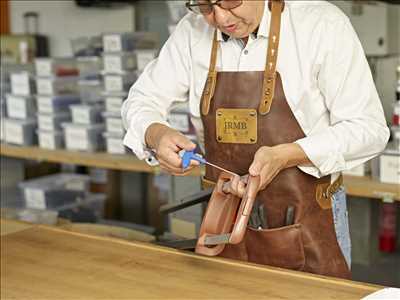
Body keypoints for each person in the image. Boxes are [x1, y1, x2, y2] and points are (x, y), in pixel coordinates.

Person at [121, 0, 389, 278]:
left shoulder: (320, 24)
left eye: (229, 1)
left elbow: (369, 129)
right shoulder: (192, 31)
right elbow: (141, 100)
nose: (221, 18)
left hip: (307, 218)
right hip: (224, 219)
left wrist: (289, 154)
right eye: (205, 6)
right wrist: (156, 133)